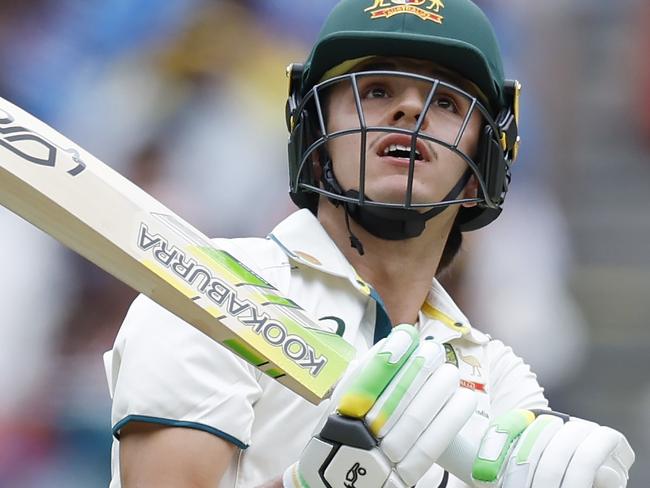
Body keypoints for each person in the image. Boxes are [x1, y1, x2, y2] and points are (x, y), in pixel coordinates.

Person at [103, 0, 635, 486]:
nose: (408, 111)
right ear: (315, 138)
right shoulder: (210, 292)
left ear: (484, 166)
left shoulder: (496, 376)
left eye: (446, 101)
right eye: (376, 91)